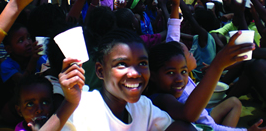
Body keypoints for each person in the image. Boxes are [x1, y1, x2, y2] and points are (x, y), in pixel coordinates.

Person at [53, 29, 196, 130]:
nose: (135, 73)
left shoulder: (143, 107)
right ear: (100, 71)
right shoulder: (83, 107)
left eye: (142, 63)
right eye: (122, 64)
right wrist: (70, 103)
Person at [147, 39, 266, 131]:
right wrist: (217, 66)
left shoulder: (180, 84)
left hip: (203, 120)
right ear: (152, 76)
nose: (179, 79)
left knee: (234, 102)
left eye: (184, 71)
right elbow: (189, 115)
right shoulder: (161, 98)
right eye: (170, 73)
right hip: (201, 122)